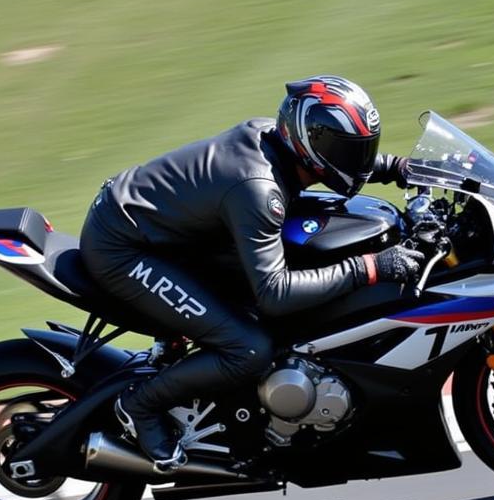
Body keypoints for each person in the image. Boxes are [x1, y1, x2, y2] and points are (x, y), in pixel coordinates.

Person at [79, 75, 425, 471]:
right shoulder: (259, 190)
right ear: (311, 143)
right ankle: (139, 405)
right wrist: (370, 267)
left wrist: (397, 167)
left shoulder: (278, 141)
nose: (358, 159)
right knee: (248, 348)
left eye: (363, 150)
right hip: (123, 247)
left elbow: (348, 166)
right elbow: (275, 294)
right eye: (349, 150)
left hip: (168, 235)